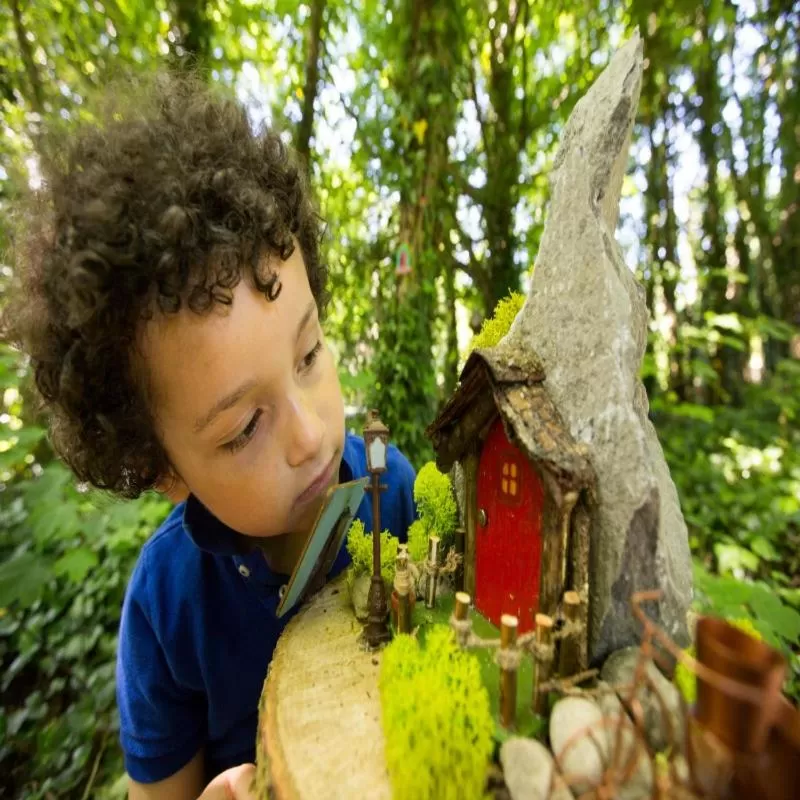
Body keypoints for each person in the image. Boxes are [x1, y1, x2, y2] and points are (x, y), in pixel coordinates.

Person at [2, 74, 416, 799]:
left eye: (309, 355)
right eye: (244, 427)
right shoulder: (166, 610)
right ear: (164, 469)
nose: (310, 432)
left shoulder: (398, 494)